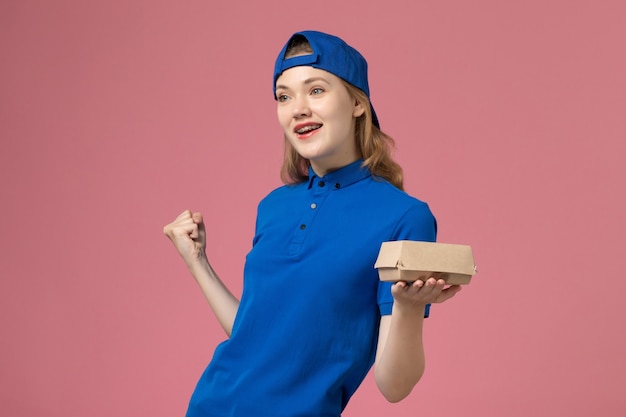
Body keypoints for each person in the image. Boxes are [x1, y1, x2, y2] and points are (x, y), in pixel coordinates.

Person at [163, 30, 462, 417]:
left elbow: (395, 386)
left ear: (357, 103)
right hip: (208, 405)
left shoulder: (405, 217)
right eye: (284, 96)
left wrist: (405, 308)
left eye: (315, 90)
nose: (297, 109)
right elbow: (256, 334)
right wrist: (197, 262)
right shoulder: (273, 206)